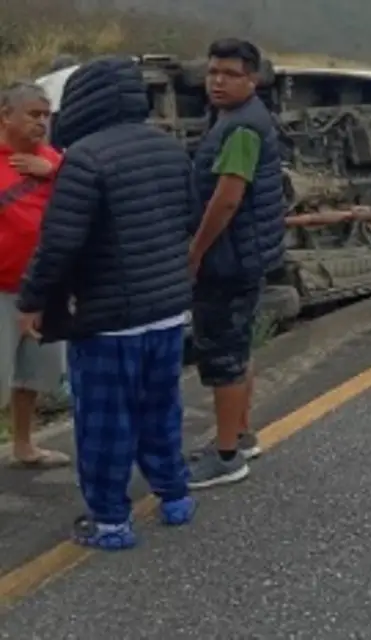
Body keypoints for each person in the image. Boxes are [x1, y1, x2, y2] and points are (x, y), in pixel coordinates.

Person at [17, 56, 196, 550]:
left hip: (108, 321)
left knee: (105, 422)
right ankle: (174, 496)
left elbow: (59, 245)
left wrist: (33, 300)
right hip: (166, 313)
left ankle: (112, 522)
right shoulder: (170, 149)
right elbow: (188, 219)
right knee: (161, 408)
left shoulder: (85, 159)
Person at [187, 38, 285, 489]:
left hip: (228, 260)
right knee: (239, 347)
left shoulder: (242, 128)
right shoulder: (235, 118)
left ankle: (226, 456)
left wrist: (195, 251)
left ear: (253, 79)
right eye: (213, 73)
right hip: (246, 254)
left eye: (229, 74)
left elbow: (226, 199)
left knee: (223, 354)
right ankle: (240, 435)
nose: (218, 81)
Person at [0, 81, 70, 469]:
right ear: (6, 116)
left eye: (46, 116)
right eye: (33, 114)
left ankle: (24, 445)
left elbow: (85, 191)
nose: (42, 123)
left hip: (42, 290)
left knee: (33, 374)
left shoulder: (54, 160)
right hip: (1, 289)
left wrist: (53, 170)